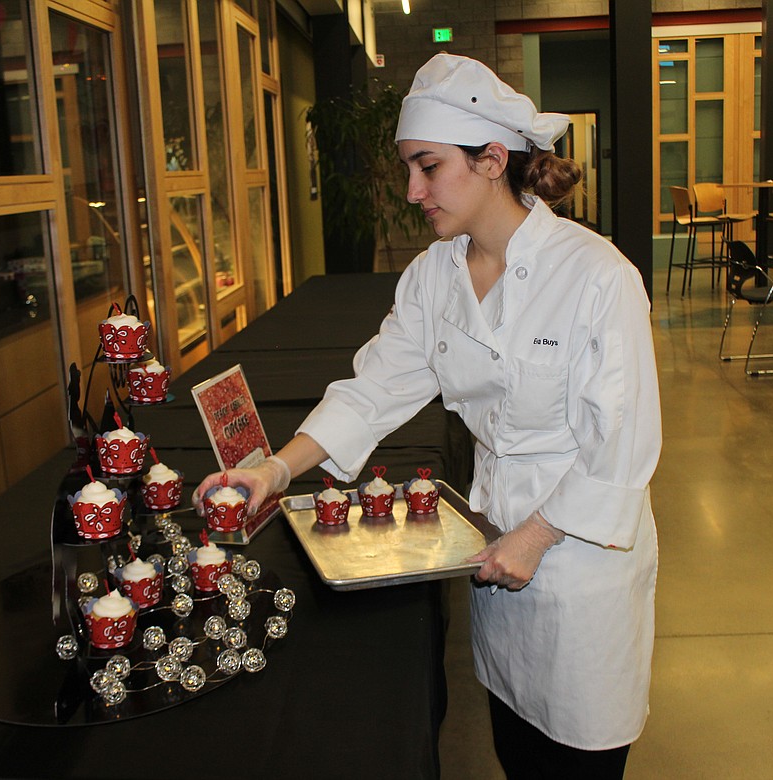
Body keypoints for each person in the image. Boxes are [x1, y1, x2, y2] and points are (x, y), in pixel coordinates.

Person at [194, 53, 661, 779]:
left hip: (578, 561)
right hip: (492, 543)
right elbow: (373, 388)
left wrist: (535, 536)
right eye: (409, 169)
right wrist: (274, 468)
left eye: (427, 166)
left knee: (578, 759)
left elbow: (624, 445)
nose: (413, 191)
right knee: (517, 748)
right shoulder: (433, 277)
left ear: (492, 159)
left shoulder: (598, 277)